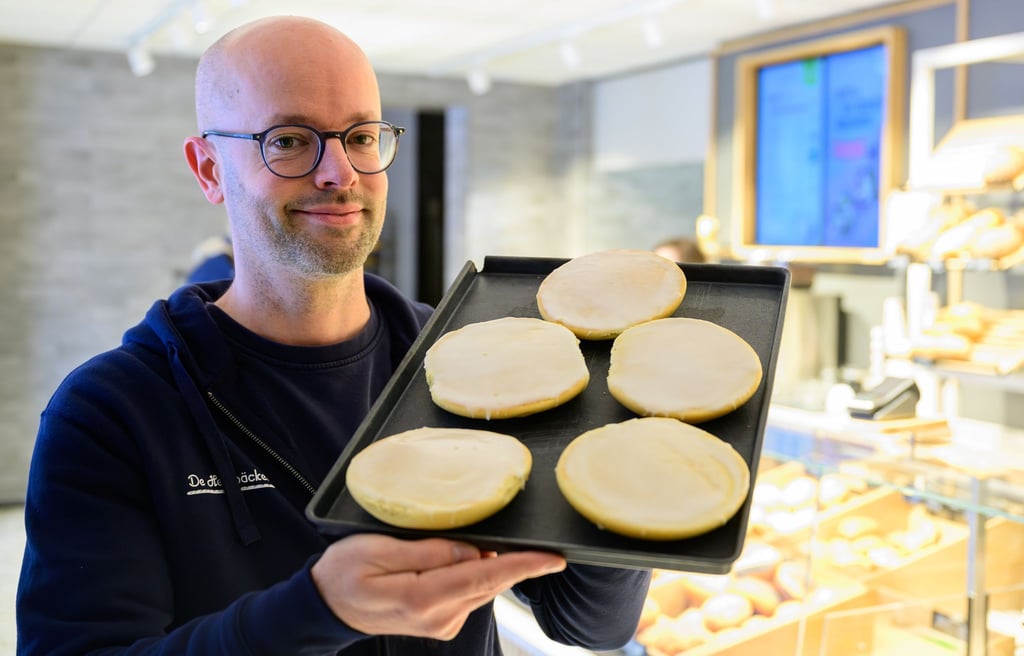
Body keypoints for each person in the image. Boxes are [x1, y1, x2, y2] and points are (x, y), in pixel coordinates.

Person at [16, 15, 651, 656]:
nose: (339, 172)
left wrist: (621, 470)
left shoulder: (465, 359)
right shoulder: (112, 412)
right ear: (208, 169)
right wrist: (314, 613)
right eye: (289, 140)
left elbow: (588, 625)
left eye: (361, 136)